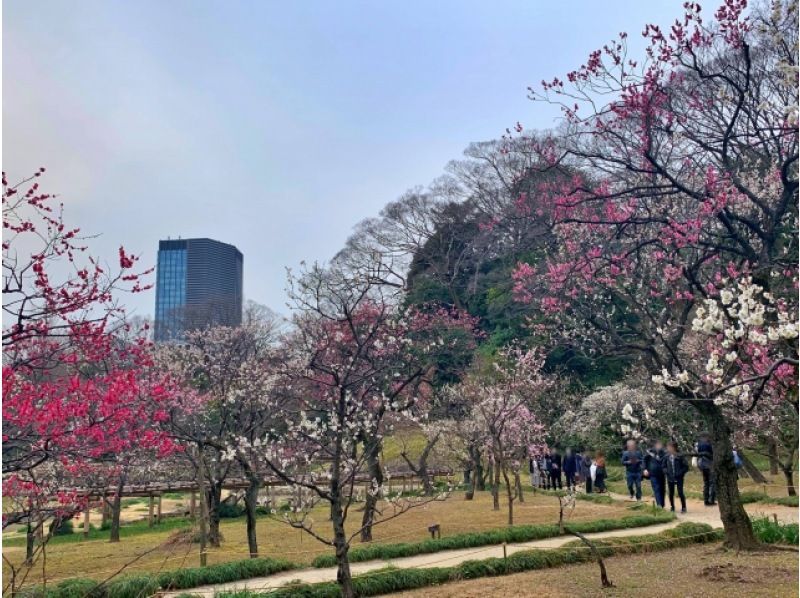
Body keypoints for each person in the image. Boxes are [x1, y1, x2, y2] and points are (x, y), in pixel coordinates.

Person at [664, 441, 688, 513]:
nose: (668, 448)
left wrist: (680, 473)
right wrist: (666, 472)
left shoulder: (680, 456)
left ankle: (684, 507)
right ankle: (672, 507)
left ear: (674, 448)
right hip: (670, 478)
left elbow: (686, 467)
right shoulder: (666, 456)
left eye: (669, 447)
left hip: (679, 478)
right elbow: (663, 466)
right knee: (671, 493)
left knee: (680, 492)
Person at [644, 440, 667, 508]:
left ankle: (662, 504)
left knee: (662, 489)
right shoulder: (649, 452)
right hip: (653, 473)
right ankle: (659, 505)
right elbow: (644, 460)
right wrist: (644, 469)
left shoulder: (664, 452)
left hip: (662, 473)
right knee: (656, 488)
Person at [696, 433, 716, 506]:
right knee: (712, 482)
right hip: (709, 464)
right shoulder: (709, 444)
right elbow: (713, 453)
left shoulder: (699, 445)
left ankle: (705, 500)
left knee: (706, 482)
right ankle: (711, 500)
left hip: (701, 464)